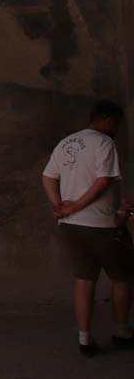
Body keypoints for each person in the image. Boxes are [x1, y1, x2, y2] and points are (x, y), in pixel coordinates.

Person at [42, 101, 134, 357]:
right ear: (108, 121)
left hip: (71, 226)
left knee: (84, 279)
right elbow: (103, 181)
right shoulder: (104, 143)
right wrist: (74, 206)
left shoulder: (66, 142)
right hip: (101, 224)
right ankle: (122, 332)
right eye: (117, 124)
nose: (118, 129)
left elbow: (48, 176)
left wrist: (59, 206)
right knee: (123, 277)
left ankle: (85, 339)